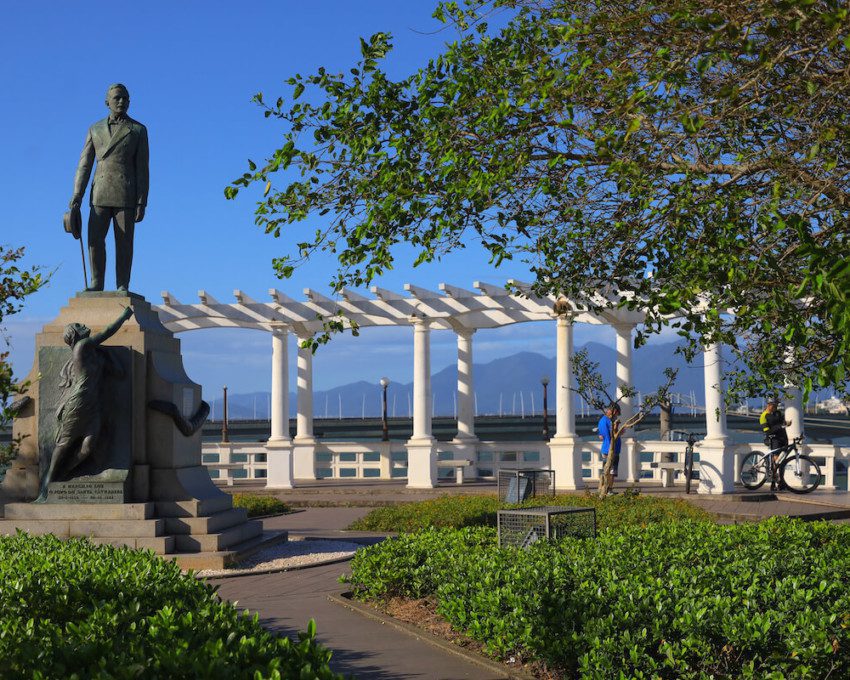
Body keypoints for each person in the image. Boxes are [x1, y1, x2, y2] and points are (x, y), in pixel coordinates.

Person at [35, 306, 134, 502]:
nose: (84, 325)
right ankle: (45, 489)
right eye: (79, 325)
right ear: (74, 335)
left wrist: (106, 353)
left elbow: (121, 373)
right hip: (78, 403)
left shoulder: (94, 355)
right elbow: (106, 332)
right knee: (63, 445)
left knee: (89, 447)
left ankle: (60, 476)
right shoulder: (81, 347)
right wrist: (124, 316)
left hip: (93, 406)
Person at [70, 83, 149, 292]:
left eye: (125, 98)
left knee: (124, 243)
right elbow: (84, 164)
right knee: (95, 240)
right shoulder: (94, 129)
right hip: (100, 192)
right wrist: (77, 194)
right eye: (117, 98)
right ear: (107, 102)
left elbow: (142, 169)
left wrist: (142, 201)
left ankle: (122, 284)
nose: (121, 101)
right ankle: (97, 283)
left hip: (126, 193)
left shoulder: (138, 130)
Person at [760, 399, 791, 490]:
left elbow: (783, 423)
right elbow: (767, 431)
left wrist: (786, 423)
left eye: (777, 405)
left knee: (782, 462)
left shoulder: (778, 413)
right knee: (776, 462)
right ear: (769, 405)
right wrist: (780, 426)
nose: (776, 407)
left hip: (784, 438)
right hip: (774, 439)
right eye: (774, 405)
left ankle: (780, 482)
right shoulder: (763, 416)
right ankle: (774, 482)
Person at [598, 403, 622, 494]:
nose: (616, 416)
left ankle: (607, 489)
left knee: (610, 471)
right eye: (616, 414)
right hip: (610, 450)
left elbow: (602, 435)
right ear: (614, 411)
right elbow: (611, 436)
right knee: (610, 471)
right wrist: (618, 430)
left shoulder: (606, 420)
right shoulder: (606, 421)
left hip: (611, 449)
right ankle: (607, 490)